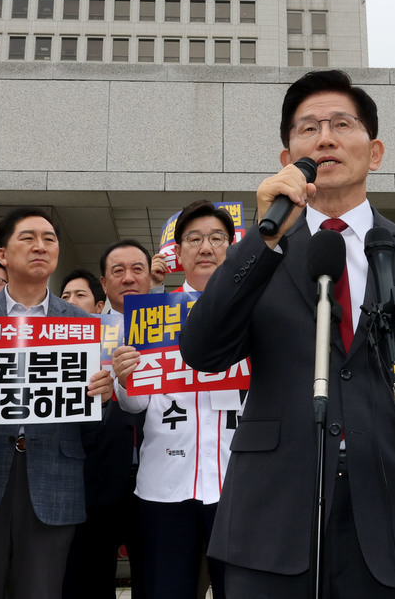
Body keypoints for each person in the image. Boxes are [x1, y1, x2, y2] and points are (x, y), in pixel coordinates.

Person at [180, 69, 395, 597]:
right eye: (308, 129)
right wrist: (263, 241)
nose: (324, 138)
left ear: (374, 153)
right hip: (273, 527)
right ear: (288, 161)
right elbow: (204, 351)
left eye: (341, 124)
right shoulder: (263, 253)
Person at [0, 207, 114, 599]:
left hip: (54, 475)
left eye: (49, 239)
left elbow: (89, 419)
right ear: (3, 254)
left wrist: (100, 396)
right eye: (28, 238)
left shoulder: (83, 324)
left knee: (42, 590)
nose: (40, 246)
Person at [113, 202, 241, 599]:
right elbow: (134, 406)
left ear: (231, 249)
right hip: (165, 485)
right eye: (195, 239)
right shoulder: (150, 315)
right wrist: (124, 377)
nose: (206, 247)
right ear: (178, 253)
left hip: (238, 484)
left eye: (217, 239)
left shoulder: (255, 308)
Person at [63, 252, 143, 599]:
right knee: (92, 574)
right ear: (104, 284)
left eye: (137, 269)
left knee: (157, 574)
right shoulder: (72, 337)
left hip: (160, 473)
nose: (128, 277)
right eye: (118, 271)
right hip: (97, 472)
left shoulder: (173, 323)